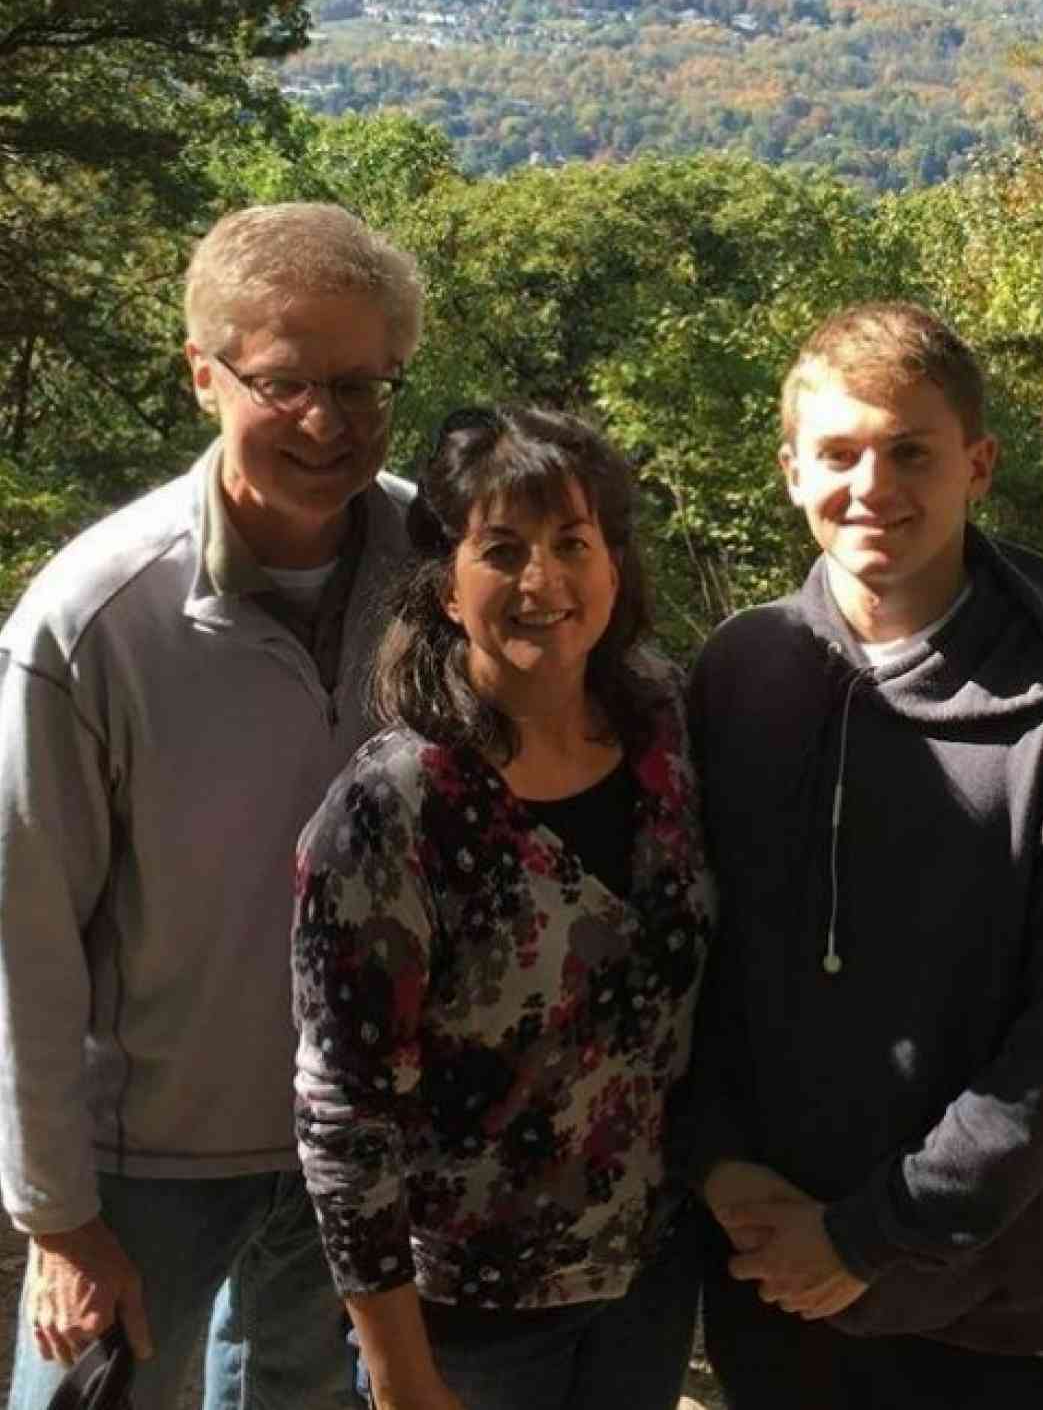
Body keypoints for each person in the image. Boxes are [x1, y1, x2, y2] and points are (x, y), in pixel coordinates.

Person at [689, 301, 1043, 1410]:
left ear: (978, 463)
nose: (873, 486)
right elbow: (690, 947)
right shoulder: (738, 672)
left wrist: (874, 1233)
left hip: (991, 1305)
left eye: (911, 451)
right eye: (839, 453)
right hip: (767, 1267)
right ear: (788, 470)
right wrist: (717, 1166)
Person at [0, 203, 424, 1410]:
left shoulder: (437, 567)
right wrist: (56, 1214)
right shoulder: (93, 621)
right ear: (204, 375)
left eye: (362, 383)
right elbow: (24, 931)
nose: (327, 422)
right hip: (147, 1155)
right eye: (285, 381)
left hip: (356, 1141)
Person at [291, 406, 714, 1410]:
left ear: (614, 560)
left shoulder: (666, 728)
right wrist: (398, 1371)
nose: (543, 581)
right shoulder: (395, 808)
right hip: (467, 1324)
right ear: (445, 582)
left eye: (573, 542)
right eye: (503, 549)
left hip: (647, 1282)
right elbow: (343, 1114)